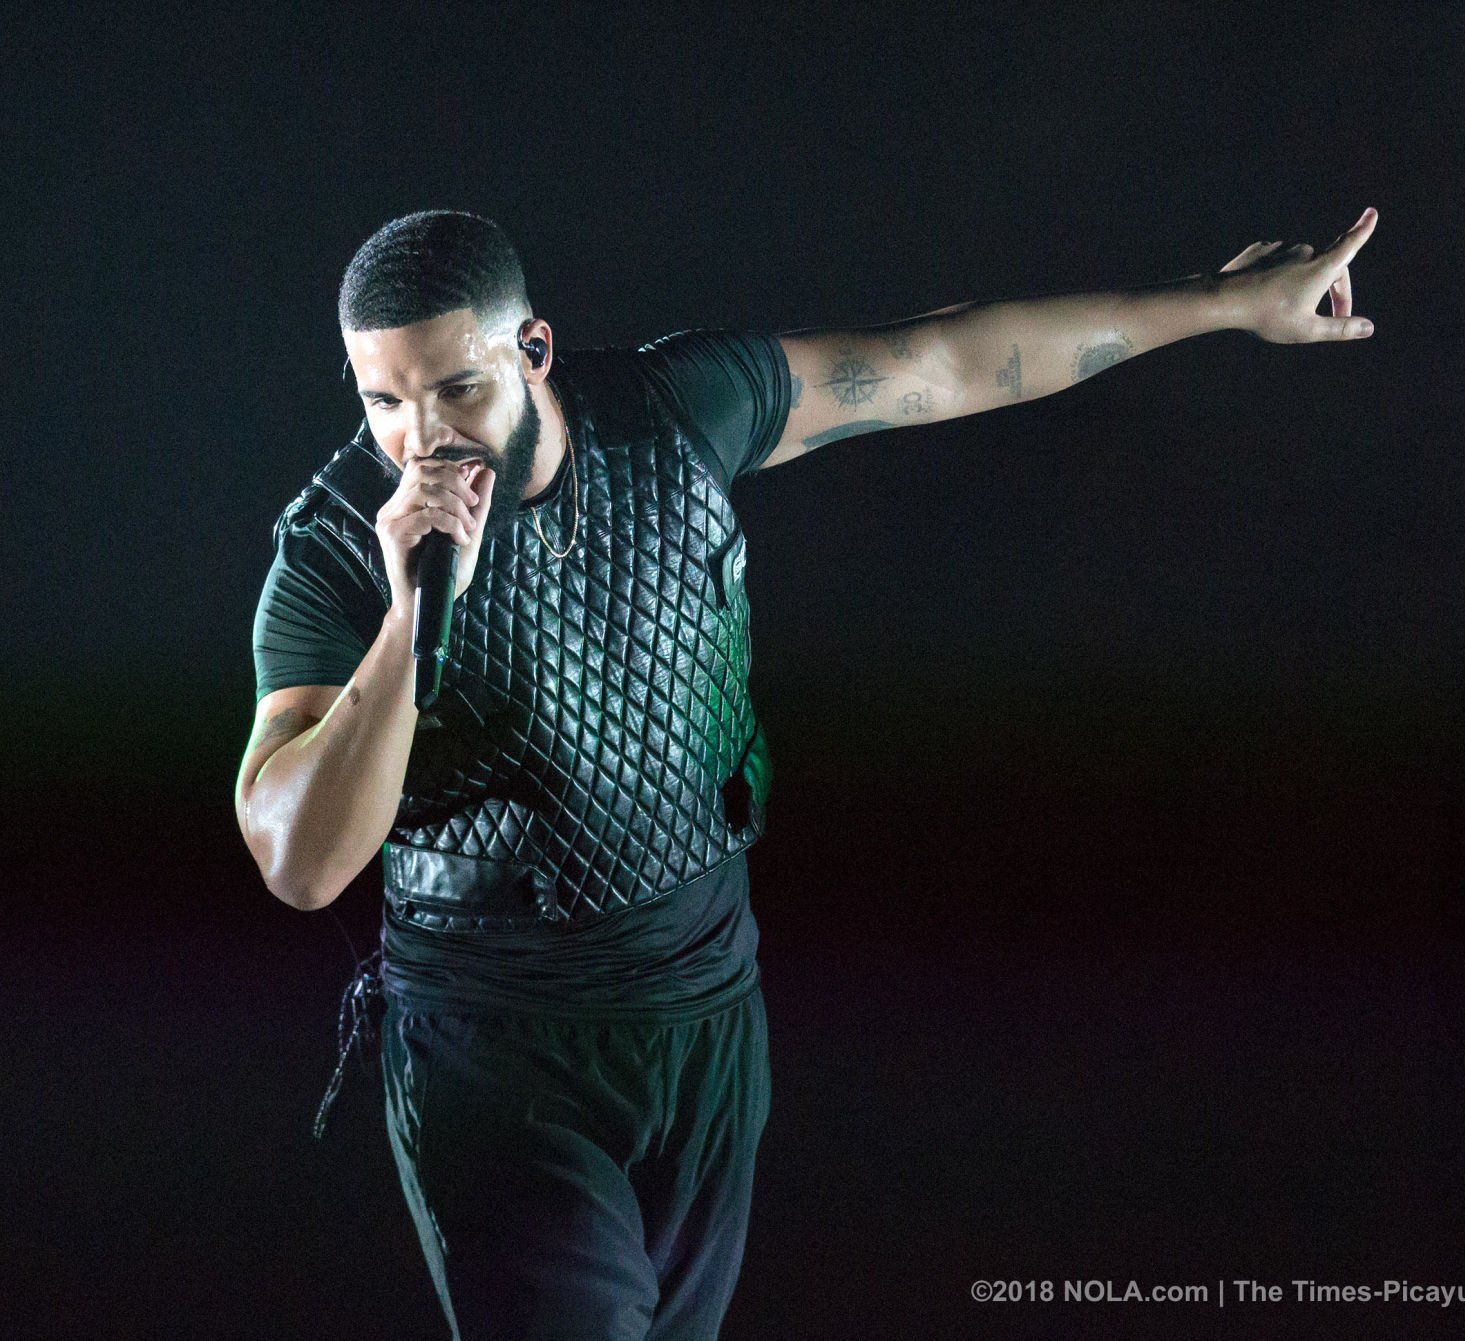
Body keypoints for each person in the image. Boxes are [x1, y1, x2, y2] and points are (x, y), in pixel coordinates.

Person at [235, 206, 1377, 1340]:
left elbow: (942, 355)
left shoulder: (674, 411)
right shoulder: (336, 547)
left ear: (531, 349)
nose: (424, 438)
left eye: (456, 389)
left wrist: (1224, 304)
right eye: (384, 402)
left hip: (704, 1015)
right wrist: (405, 622)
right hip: (494, 1051)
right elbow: (299, 864)